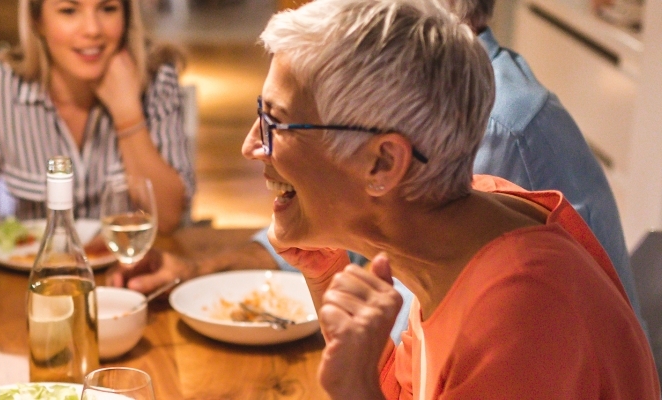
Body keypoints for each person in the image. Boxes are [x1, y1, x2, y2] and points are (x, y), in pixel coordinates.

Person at [110, 0, 641, 322]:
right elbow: (363, 233)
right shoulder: (418, 131)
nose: (252, 146)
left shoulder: (491, 130)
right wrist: (205, 272)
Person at [244, 0, 659, 397]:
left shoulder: (522, 311)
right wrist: (327, 277)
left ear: (383, 163)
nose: (251, 145)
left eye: (274, 123)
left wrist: (355, 390)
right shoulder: (454, 235)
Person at [0, 0, 195, 235]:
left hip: (126, 277)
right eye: (69, 11)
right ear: (37, 20)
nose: (93, 29)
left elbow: (168, 218)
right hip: (26, 280)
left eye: (108, 8)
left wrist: (127, 114)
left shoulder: (156, 77)